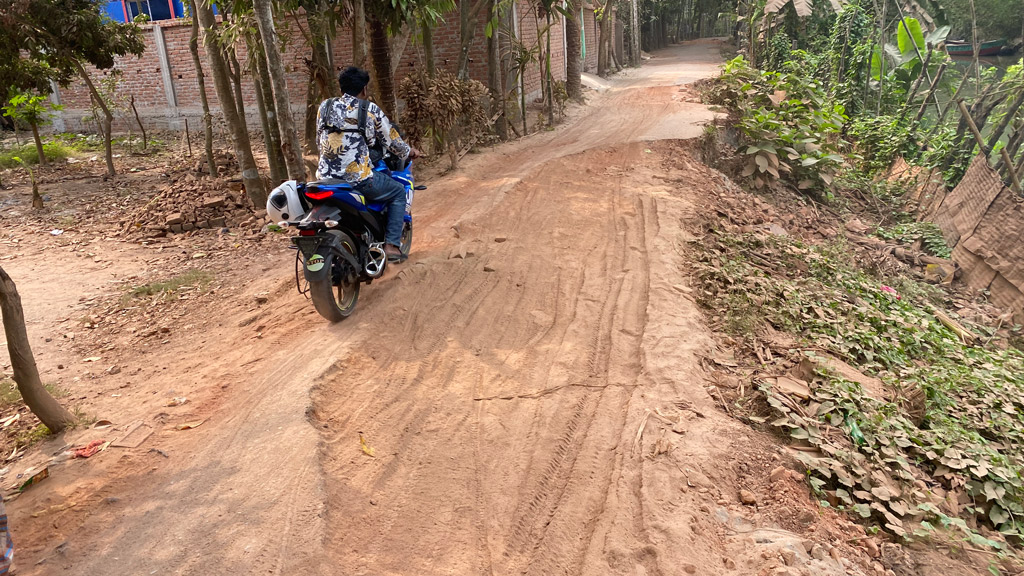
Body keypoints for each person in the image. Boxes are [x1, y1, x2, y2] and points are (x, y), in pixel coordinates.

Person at [315, 66, 419, 262]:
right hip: (358, 179)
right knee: (397, 191)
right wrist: (410, 152)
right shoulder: (369, 109)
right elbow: (392, 141)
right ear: (364, 89)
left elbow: (319, 140)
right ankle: (391, 246)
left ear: (341, 89)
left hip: (325, 179)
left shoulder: (325, 107)